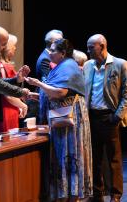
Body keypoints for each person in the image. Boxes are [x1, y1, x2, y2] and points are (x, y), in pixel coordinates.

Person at [25, 38, 92, 202]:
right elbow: (52, 92)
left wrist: (39, 84)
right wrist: (34, 94)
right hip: (61, 118)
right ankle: (65, 194)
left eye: (53, 50)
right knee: (63, 154)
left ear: (63, 53)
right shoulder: (61, 66)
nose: (50, 53)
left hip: (69, 118)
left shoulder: (68, 66)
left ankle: (72, 193)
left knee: (70, 154)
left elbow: (61, 93)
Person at [84, 34, 127, 202]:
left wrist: (117, 116)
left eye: (91, 47)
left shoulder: (120, 64)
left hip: (109, 117)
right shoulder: (88, 66)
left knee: (114, 158)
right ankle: (97, 193)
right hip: (92, 116)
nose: (88, 51)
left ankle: (116, 195)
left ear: (102, 46)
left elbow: (126, 93)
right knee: (94, 157)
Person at [0, 34, 28, 133]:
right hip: (6, 110)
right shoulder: (0, 66)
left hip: (12, 108)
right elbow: (7, 94)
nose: (15, 48)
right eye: (13, 45)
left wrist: (19, 105)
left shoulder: (7, 64)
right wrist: (22, 105)